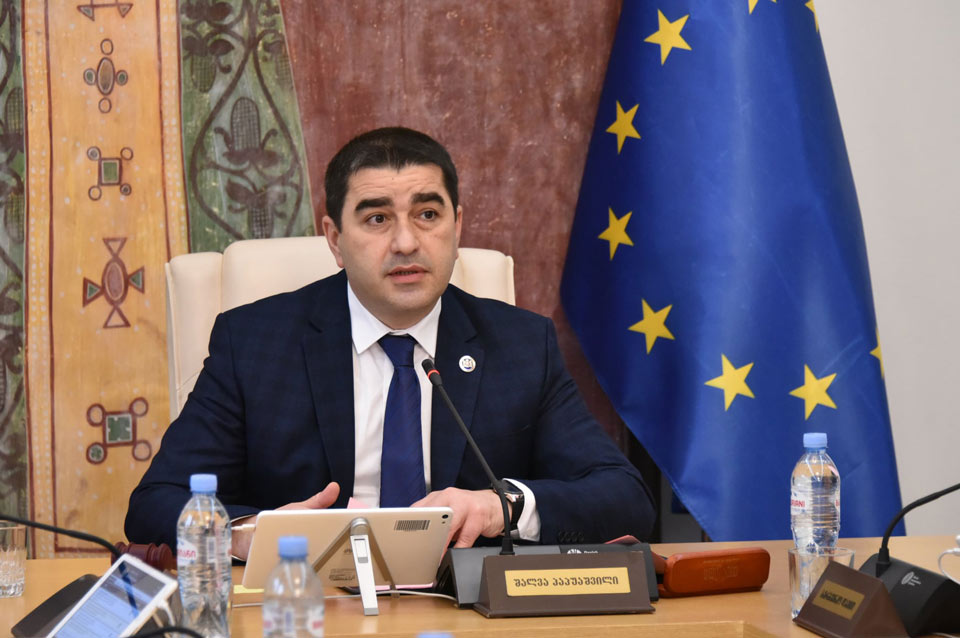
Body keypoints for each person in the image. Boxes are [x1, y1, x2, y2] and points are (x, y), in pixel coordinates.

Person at [125, 127, 655, 557]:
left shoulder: (519, 345)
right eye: (377, 218)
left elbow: (625, 498)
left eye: (428, 215)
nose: (406, 242)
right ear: (335, 239)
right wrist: (247, 533)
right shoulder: (254, 344)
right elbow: (155, 504)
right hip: (312, 608)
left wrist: (502, 507)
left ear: (456, 227)